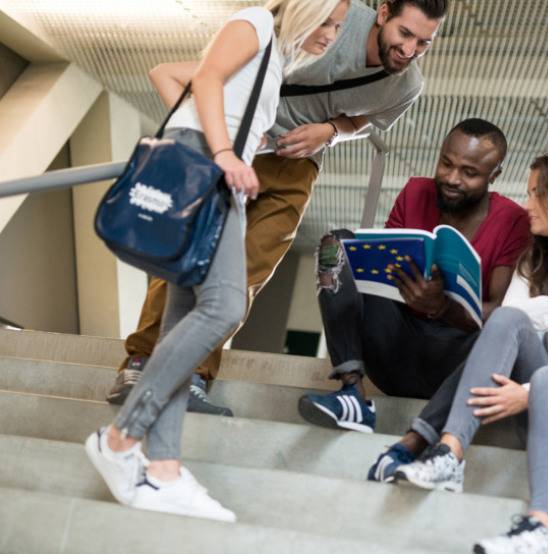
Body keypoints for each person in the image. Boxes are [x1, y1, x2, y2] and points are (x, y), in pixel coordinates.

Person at [106, 0, 448, 417]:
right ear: (382, 12)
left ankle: (193, 373)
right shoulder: (329, 15)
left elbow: (367, 121)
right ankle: (141, 361)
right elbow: (233, 66)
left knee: (247, 272)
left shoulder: (407, 85)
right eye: (405, 34)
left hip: (297, 166)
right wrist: (226, 141)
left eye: (424, 43)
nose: (410, 50)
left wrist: (331, 132)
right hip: (241, 146)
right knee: (190, 253)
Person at [84, 0, 349, 521]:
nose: (332, 35)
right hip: (213, 170)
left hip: (215, 165)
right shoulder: (254, 23)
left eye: (339, 28)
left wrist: (227, 140)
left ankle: (161, 467)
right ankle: (119, 440)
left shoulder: (275, 58)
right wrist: (222, 150)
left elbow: (183, 82)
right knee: (225, 305)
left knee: (183, 320)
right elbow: (204, 78)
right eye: (327, 21)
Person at [382, 153, 548, 553]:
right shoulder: (534, 262)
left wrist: (527, 392)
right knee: (507, 321)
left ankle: (543, 529)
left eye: (535, 194)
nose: (526, 205)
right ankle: (449, 453)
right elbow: (514, 315)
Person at [298, 118, 531, 434]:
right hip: (395, 349)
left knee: (503, 326)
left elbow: (503, 314)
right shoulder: (414, 193)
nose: (452, 178)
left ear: (494, 176)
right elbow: (381, 272)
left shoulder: (512, 221)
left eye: (469, 173)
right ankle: (352, 393)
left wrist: (443, 307)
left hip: (454, 365)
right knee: (335, 246)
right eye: (446, 163)